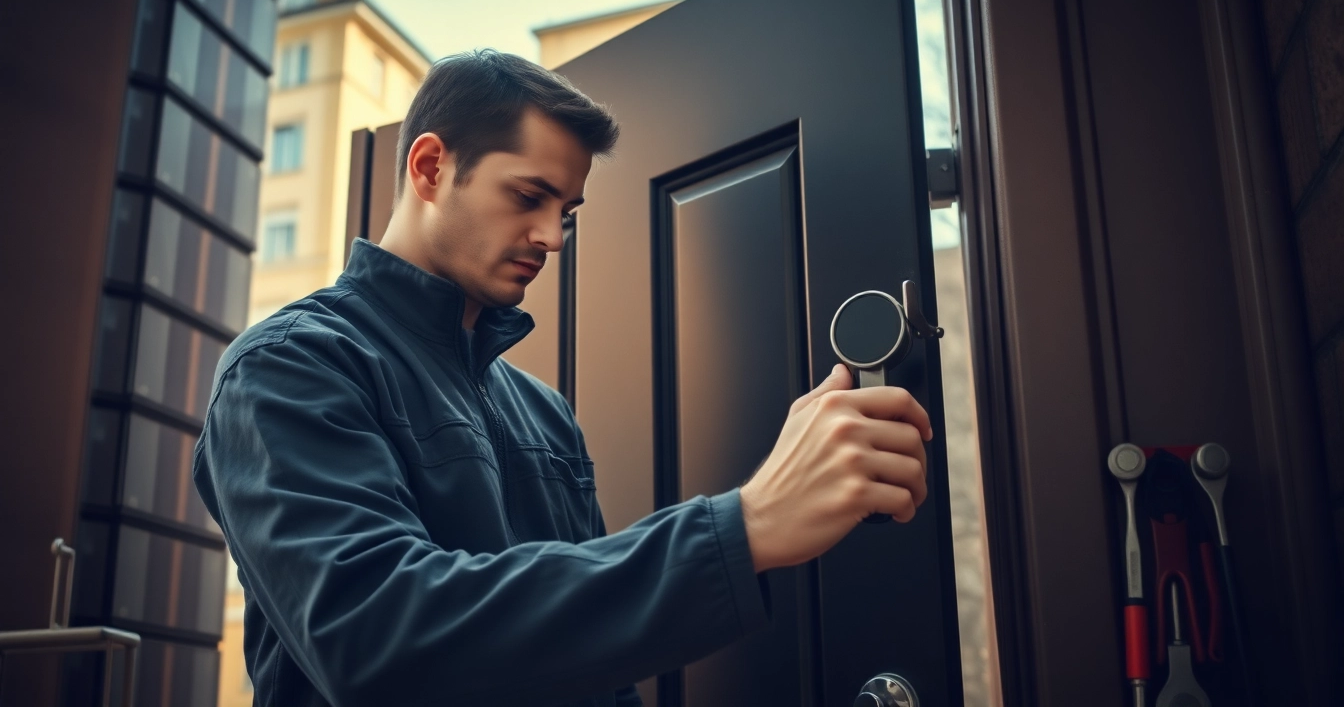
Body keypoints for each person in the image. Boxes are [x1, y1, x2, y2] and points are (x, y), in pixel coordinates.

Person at [193, 49, 932, 707]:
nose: (552, 237)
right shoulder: (289, 364)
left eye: (566, 211)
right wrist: (745, 528)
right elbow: (375, 640)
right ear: (430, 168)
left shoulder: (544, 412)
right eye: (527, 196)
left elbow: (599, 677)